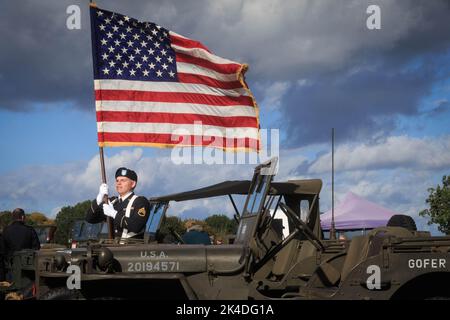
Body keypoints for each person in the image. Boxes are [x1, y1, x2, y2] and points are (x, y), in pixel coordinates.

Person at [86, 167, 150, 239]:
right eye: (117, 180)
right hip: (111, 247)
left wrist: (113, 213)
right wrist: (99, 198)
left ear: (133, 184)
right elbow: (90, 219)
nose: (119, 183)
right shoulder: (112, 202)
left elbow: (135, 226)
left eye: (123, 180)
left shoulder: (140, 202)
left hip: (130, 248)